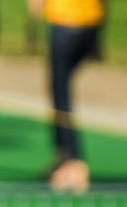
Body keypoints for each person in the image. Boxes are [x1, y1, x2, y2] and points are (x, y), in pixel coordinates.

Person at [30, 0, 104, 192]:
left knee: (60, 93)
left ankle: (73, 161)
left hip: (66, 22)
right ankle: (64, 157)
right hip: (92, 21)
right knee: (60, 89)